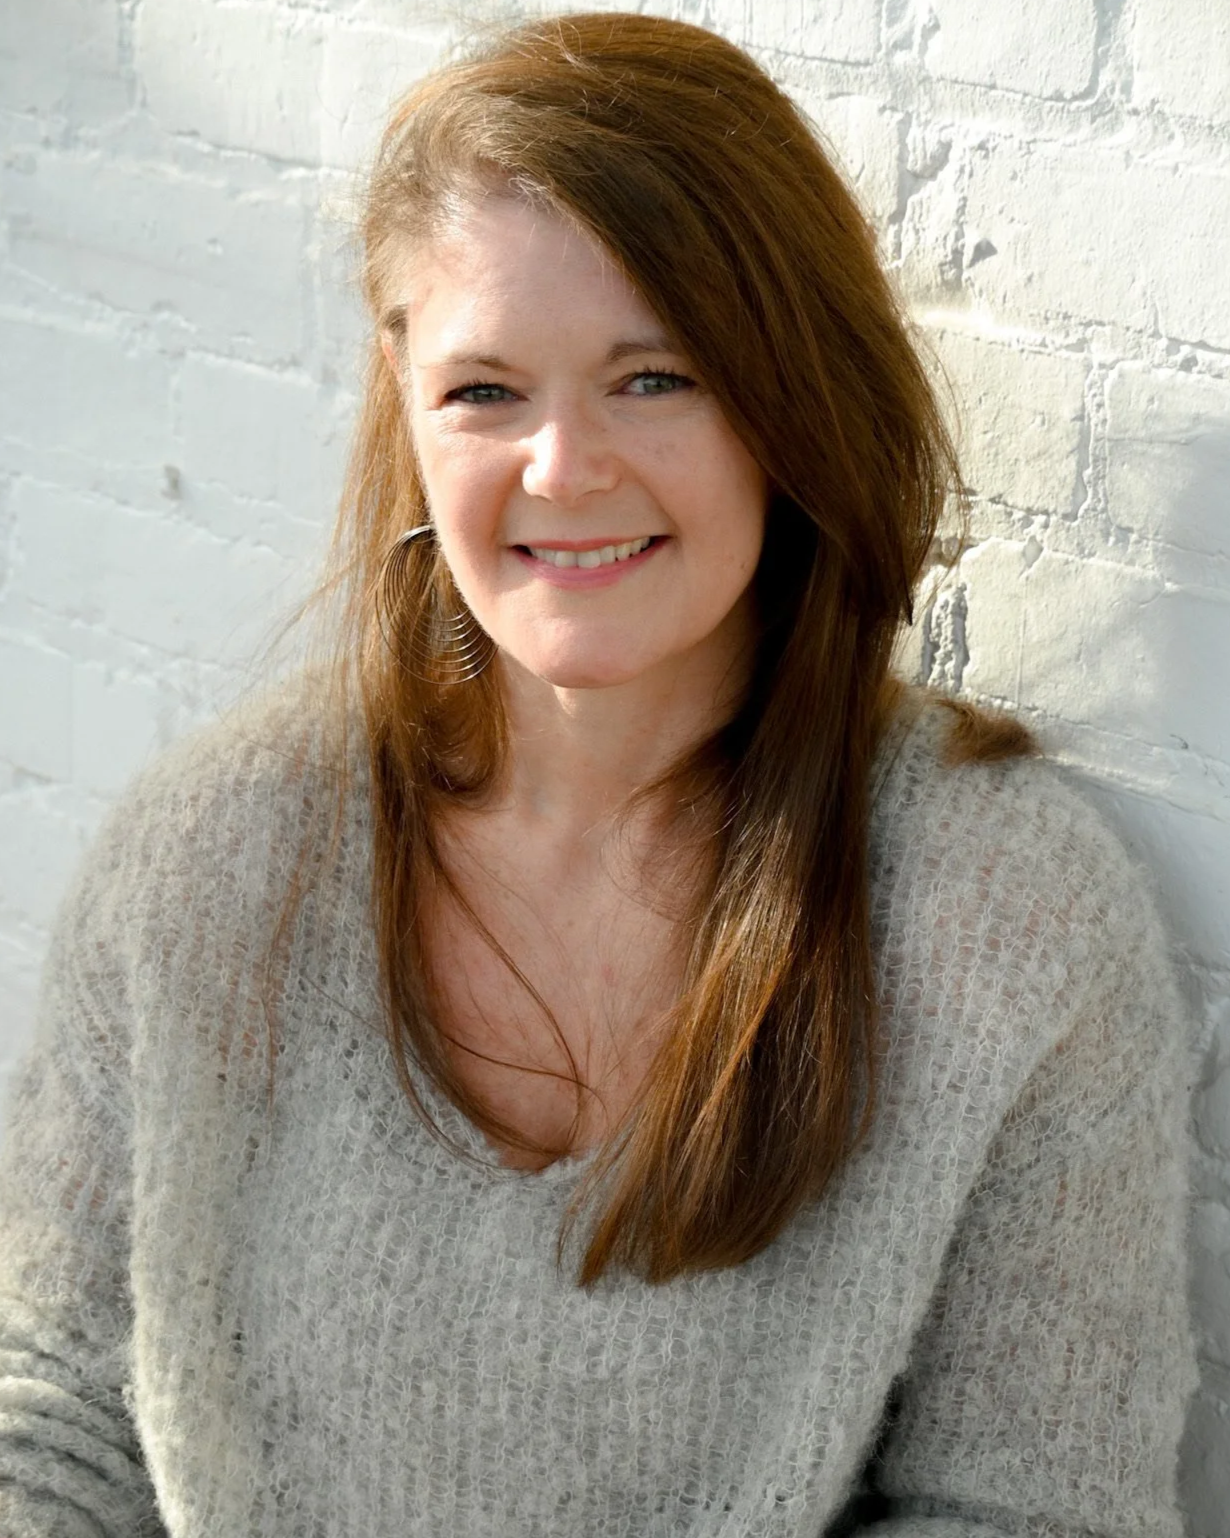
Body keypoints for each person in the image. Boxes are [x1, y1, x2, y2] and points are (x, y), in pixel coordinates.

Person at [0, 11, 1195, 1537]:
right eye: (486, 390)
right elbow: (52, 1402)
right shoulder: (215, 855)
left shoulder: (1004, 922)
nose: (561, 468)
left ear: (788, 398)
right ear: (401, 390)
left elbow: (1038, 1509)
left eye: (654, 377)